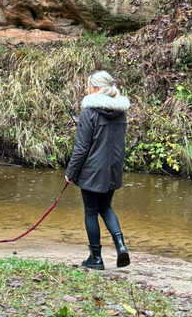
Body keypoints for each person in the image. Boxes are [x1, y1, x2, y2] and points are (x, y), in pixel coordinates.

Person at [65, 70, 130, 270]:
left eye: (89, 86)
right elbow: (110, 139)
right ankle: (120, 245)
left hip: (92, 170)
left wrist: (71, 172)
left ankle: (96, 258)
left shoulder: (89, 112)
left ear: (97, 89)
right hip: (112, 169)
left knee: (91, 211)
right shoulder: (120, 112)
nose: (87, 89)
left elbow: (82, 148)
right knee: (106, 207)